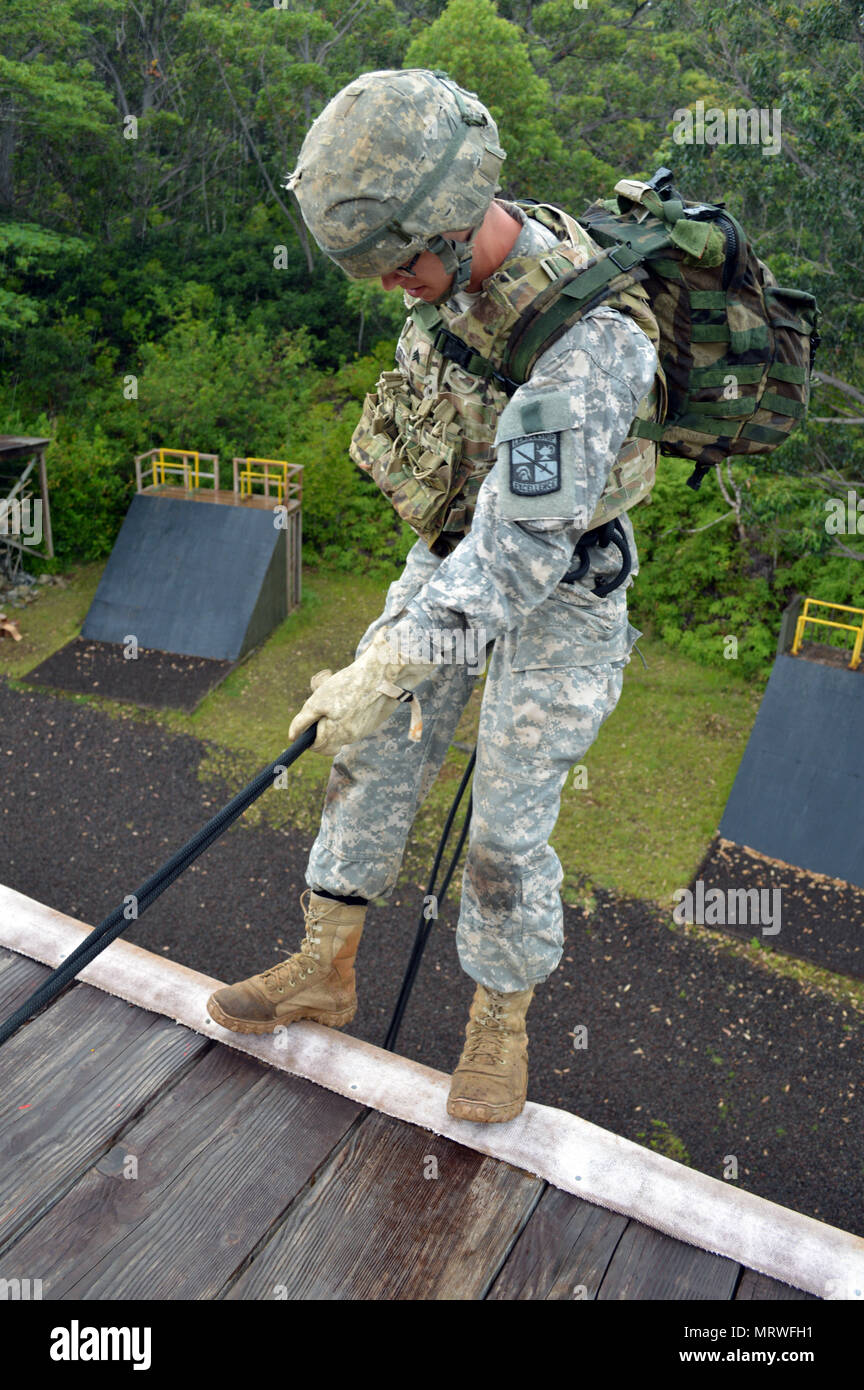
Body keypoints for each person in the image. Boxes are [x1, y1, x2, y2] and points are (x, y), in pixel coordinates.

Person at [207, 67, 664, 1124]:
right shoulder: (445, 275)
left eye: (398, 264)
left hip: (560, 584)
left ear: (455, 222)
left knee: (506, 825)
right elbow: (466, 517)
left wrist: (386, 661)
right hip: (453, 553)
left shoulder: (589, 341)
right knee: (365, 751)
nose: (388, 287)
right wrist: (385, 674)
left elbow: (517, 558)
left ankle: (498, 1027)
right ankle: (326, 966)